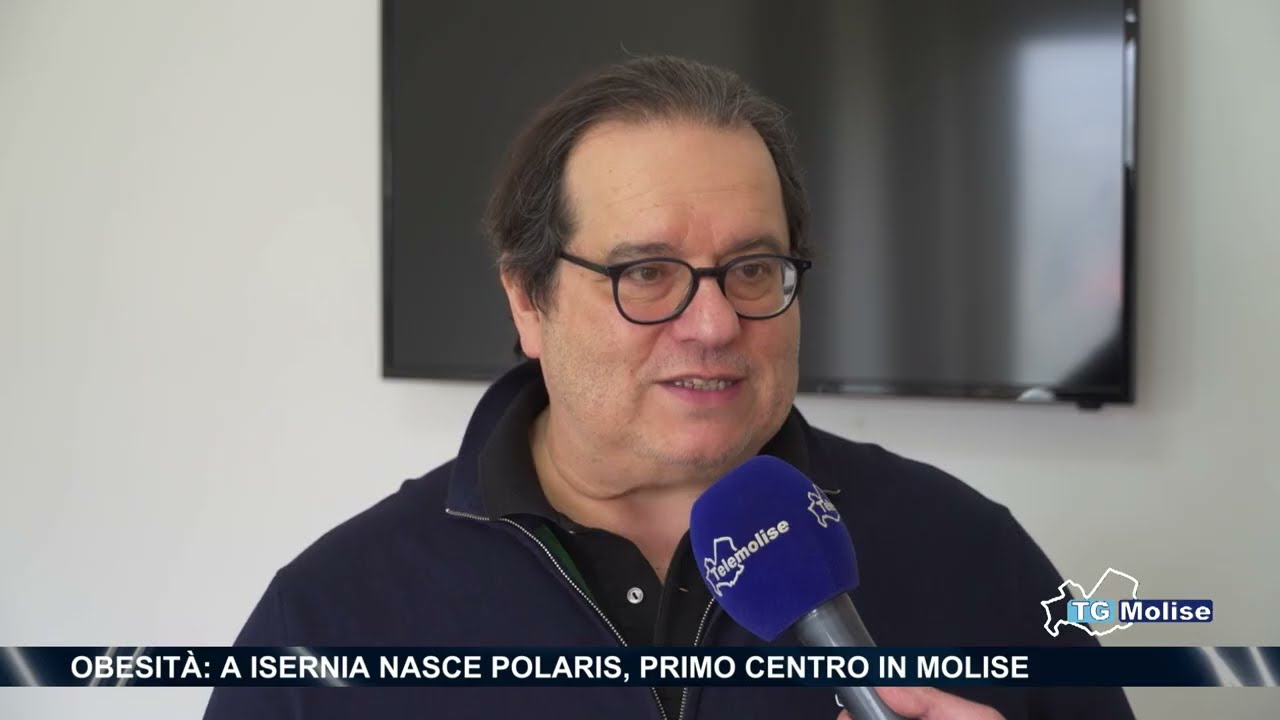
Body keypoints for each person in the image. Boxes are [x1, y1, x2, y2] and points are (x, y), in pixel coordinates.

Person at [203, 55, 1134, 720]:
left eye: (754, 269)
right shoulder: (333, 614)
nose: (715, 324)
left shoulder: (974, 555)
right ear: (527, 300)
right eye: (645, 273)